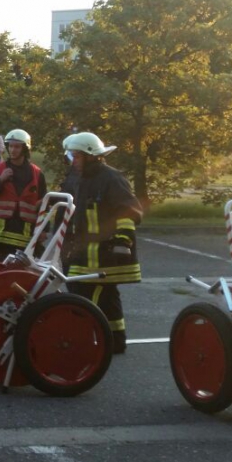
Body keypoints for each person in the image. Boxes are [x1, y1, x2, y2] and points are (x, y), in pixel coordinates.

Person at [61, 132, 142, 354]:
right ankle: (115, 340)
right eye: (71, 156)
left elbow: (129, 211)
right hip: (80, 252)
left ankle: (81, 342)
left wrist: (122, 241)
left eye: (76, 156)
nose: (73, 161)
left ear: (91, 156)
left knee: (83, 296)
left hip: (104, 254)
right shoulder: (75, 177)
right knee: (106, 297)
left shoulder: (111, 178)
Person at [0, 129, 48, 262]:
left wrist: (44, 229)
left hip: (24, 236)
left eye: (17, 146)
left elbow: (44, 205)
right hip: (0, 237)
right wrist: (0, 180)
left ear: (25, 148)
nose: (12, 150)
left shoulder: (37, 174)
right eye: (10, 146)